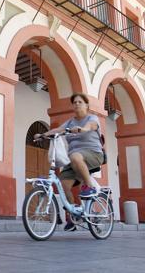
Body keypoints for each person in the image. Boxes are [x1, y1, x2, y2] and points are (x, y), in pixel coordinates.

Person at [35, 93, 104, 231]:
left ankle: (89, 186)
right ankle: (73, 217)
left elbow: (92, 126)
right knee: (62, 186)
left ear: (86, 105)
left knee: (75, 156)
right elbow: (58, 129)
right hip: (75, 160)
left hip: (94, 154)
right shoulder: (71, 122)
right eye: (75, 102)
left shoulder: (92, 118)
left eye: (80, 102)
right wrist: (43, 135)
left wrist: (83, 129)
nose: (77, 104)